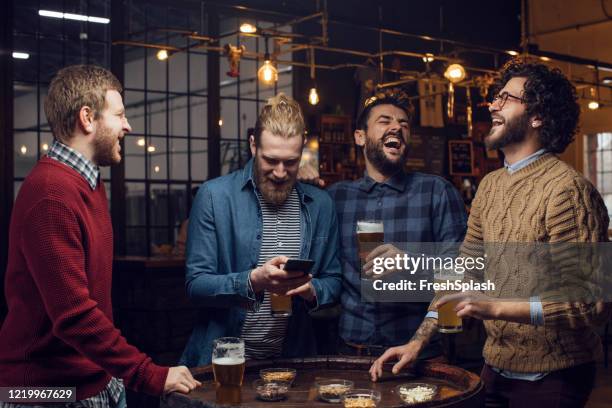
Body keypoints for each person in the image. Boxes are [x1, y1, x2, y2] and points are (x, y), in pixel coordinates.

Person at [370, 59, 612, 407]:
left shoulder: (566, 190)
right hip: (496, 367)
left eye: (507, 98)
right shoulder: (491, 185)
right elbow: (463, 271)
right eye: (496, 97)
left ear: (537, 116)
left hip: (554, 375)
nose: (493, 104)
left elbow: (590, 302)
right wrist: (418, 342)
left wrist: (494, 307)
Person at [0, 65, 200, 407]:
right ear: (87, 118)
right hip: (42, 394)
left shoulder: (88, 183)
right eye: (120, 114)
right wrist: (149, 374)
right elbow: (74, 316)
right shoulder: (52, 193)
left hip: (95, 381)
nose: (127, 125)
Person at [180, 93, 342, 366]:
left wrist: (311, 289)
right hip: (223, 361)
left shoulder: (321, 205)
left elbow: (335, 282)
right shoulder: (214, 196)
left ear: (302, 149)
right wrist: (253, 280)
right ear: (253, 145)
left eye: (291, 162)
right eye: (271, 160)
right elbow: (196, 285)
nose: (280, 172)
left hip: (293, 362)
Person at [322, 89, 467, 357]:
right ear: (360, 137)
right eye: (385, 121)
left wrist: (409, 263)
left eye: (403, 123)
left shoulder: (436, 192)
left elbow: (461, 272)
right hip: (351, 351)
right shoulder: (336, 197)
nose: (396, 128)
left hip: (419, 354)